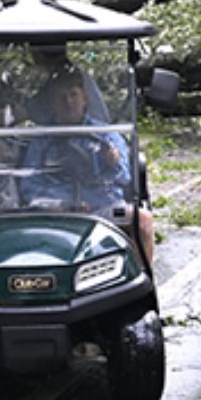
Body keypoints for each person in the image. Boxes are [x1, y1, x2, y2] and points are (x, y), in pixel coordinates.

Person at [21, 67, 156, 265]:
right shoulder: (42, 138)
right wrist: (58, 204)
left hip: (100, 207)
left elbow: (125, 177)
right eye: (61, 97)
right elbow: (28, 185)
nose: (68, 102)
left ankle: (143, 279)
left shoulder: (105, 133)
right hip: (54, 211)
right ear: (52, 103)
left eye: (73, 95)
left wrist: (113, 161)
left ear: (84, 98)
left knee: (143, 220)